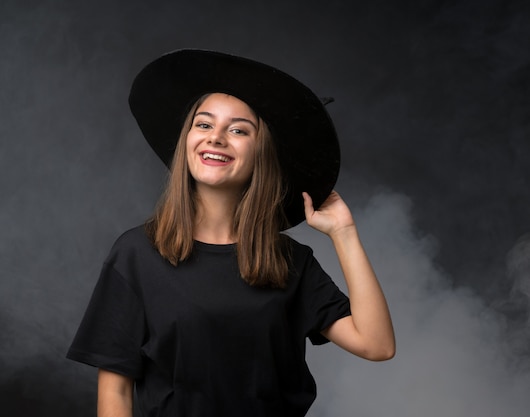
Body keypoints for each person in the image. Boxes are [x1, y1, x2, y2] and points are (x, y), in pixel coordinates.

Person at [67, 49, 395, 417]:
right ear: (186, 141)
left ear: (262, 154)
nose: (217, 137)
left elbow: (377, 345)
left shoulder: (290, 262)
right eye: (204, 124)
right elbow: (115, 396)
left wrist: (344, 233)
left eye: (239, 130)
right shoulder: (137, 253)